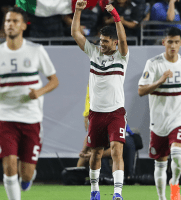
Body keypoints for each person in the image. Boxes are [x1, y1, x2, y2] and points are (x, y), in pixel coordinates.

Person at [0, 7, 59, 200]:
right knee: (9, 165)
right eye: (7, 21)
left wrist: (38, 92)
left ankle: (28, 177)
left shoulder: (36, 51)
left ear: (23, 25)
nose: (10, 24)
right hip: (5, 117)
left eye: (14, 21)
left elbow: (54, 80)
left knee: (26, 174)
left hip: (31, 118)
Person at [71, 1, 129, 199]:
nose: (101, 44)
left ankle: (117, 193)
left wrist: (117, 18)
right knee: (95, 153)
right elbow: (75, 34)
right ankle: (94, 190)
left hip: (116, 113)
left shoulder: (122, 57)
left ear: (113, 42)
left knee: (116, 151)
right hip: (96, 113)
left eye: (105, 41)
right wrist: (78, 10)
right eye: (100, 40)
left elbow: (123, 40)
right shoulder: (94, 53)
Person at [138, 27, 181, 200]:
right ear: (164, 42)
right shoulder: (154, 63)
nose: (173, 45)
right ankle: (161, 198)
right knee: (160, 164)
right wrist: (160, 80)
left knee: (178, 156)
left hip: (179, 118)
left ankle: (175, 182)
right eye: (170, 42)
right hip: (159, 122)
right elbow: (141, 91)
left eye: (176, 42)